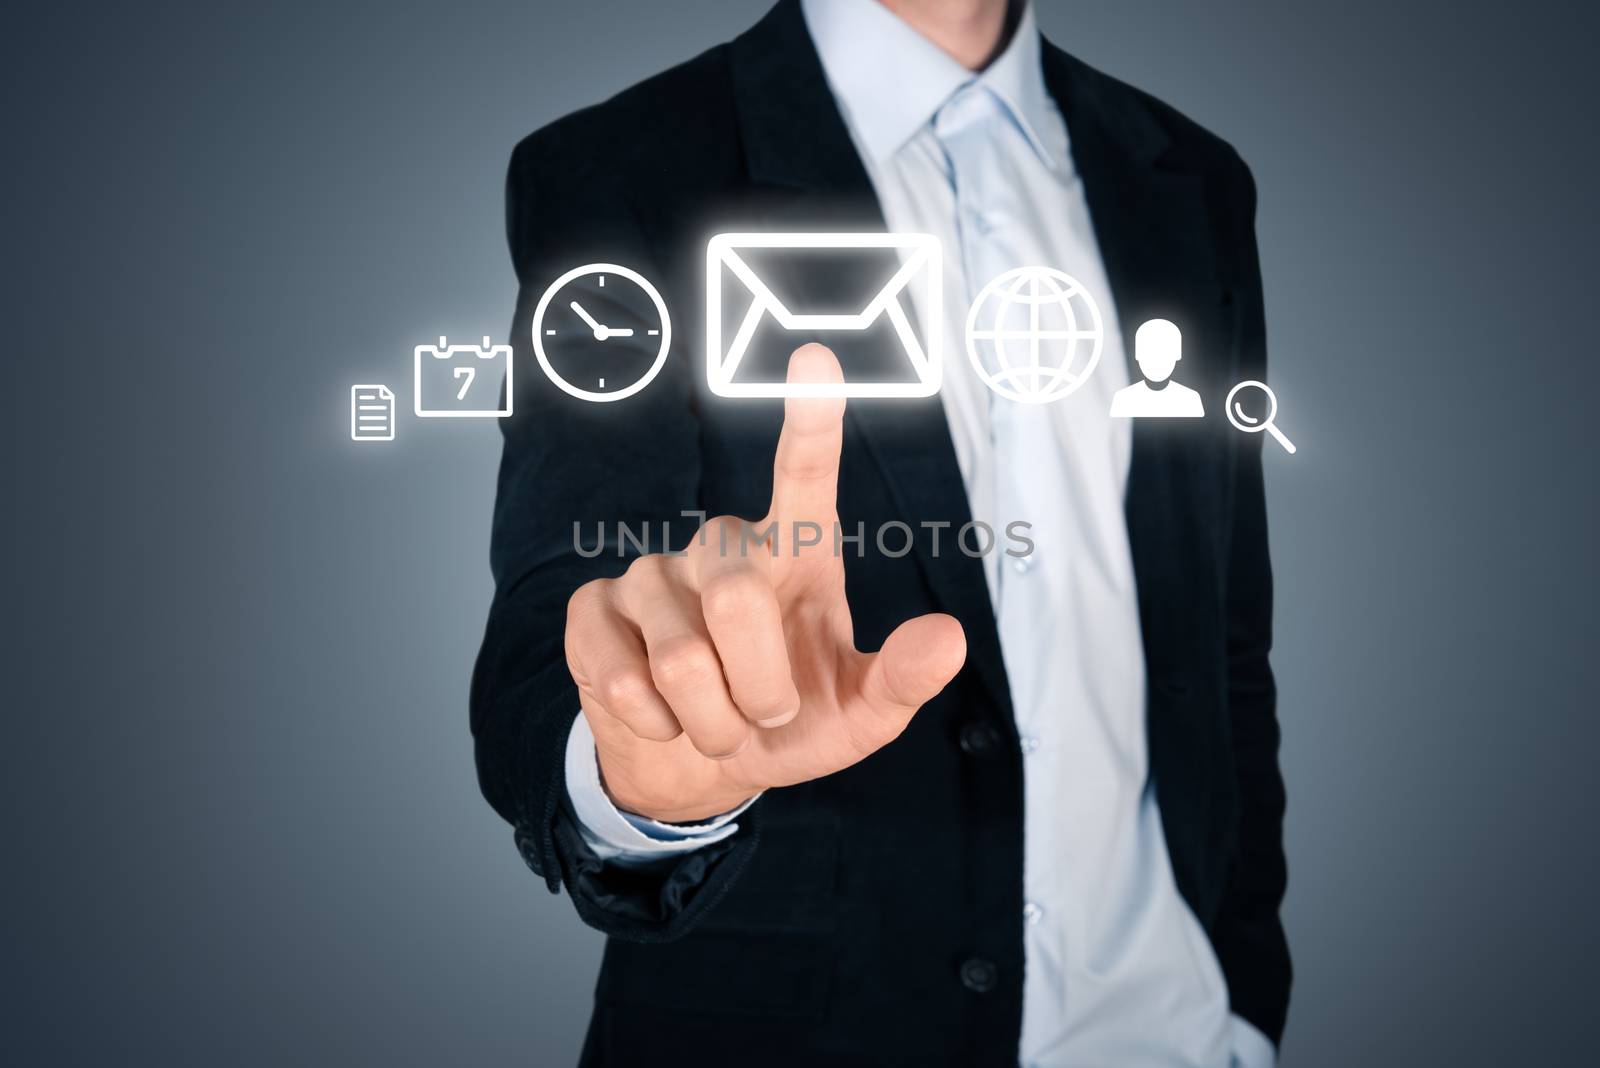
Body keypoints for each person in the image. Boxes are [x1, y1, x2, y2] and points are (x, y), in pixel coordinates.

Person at [471, 1, 1289, 1064]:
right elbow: (557, 612)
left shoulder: (1190, 176)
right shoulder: (622, 163)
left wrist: (1243, 1001)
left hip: (1169, 1028)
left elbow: (1221, 635)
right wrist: (642, 783)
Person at [1109, 317, 1207, 418]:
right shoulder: (1124, 399)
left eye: (1163, 354)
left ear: (1176, 356)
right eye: (1150, 354)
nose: (1156, 361)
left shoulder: (1189, 399)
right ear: (1138, 356)